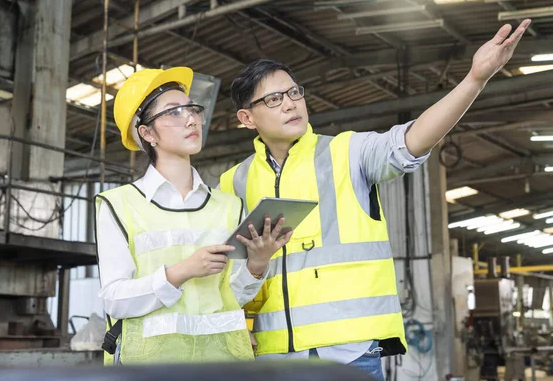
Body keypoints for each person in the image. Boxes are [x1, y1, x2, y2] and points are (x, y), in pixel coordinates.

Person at [219, 20, 532, 379]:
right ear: (246, 118)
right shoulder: (234, 183)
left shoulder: (348, 152)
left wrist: (474, 79)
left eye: (295, 93)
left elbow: (413, 139)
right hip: (273, 358)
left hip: (351, 354)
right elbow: (225, 282)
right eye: (274, 99)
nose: (290, 105)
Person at [94, 67, 292, 365]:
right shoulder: (118, 205)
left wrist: (257, 262)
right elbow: (115, 299)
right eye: (174, 112)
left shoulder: (229, 205)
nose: (191, 119)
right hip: (151, 370)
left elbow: (231, 298)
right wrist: (180, 272)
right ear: (147, 133)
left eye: (192, 110)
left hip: (224, 367)